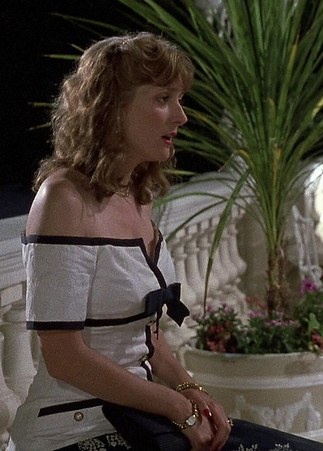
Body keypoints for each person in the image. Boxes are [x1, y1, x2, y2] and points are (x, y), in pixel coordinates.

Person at [9, 32, 231, 450]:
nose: (181, 117)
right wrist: (175, 407)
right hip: (73, 430)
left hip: (135, 419)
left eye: (180, 99)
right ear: (111, 107)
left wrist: (191, 389)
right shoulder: (63, 199)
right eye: (163, 99)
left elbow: (144, 336)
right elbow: (64, 357)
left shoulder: (138, 197)